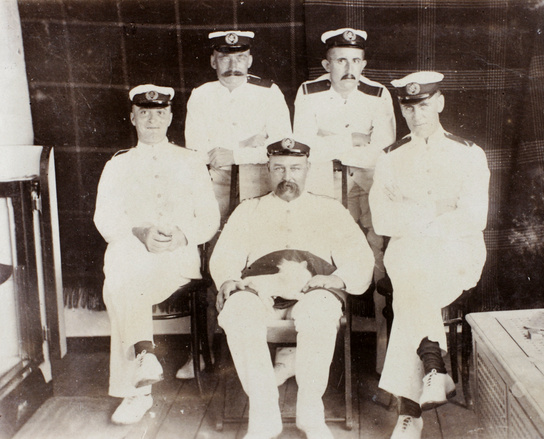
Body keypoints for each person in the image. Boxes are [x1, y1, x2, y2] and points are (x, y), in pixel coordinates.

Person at [211, 138, 374, 439]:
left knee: (321, 311)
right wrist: (227, 279)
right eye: (279, 168)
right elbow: (224, 256)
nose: (287, 176)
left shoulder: (330, 209)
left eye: (295, 168)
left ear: (308, 169)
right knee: (237, 311)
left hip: (312, 291)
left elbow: (359, 257)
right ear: (268, 170)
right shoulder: (249, 210)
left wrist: (337, 279)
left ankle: (311, 414)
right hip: (259, 292)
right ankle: (263, 415)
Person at [369, 71, 490, 438]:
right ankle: (432, 372)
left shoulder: (468, 153)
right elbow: (382, 219)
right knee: (414, 279)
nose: (416, 114)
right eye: (408, 107)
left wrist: (415, 214)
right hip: (408, 254)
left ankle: (410, 411)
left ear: (438, 103)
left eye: (423, 105)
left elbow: (473, 217)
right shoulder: (390, 157)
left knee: (410, 286)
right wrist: (437, 208)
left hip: (457, 253)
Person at [94, 84, 220, 425]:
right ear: (132, 117)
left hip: (175, 257)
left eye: (160, 113)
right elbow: (104, 218)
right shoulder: (117, 165)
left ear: (170, 117)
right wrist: (139, 232)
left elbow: (209, 219)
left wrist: (181, 235)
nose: (152, 119)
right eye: (145, 113)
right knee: (124, 277)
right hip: (131, 253)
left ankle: (139, 375)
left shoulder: (191, 161)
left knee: (118, 286)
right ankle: (143, 365)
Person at [292, 26, 396, 374]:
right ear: (327, 64)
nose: (348, 68)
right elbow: (304, 148)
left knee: (379, 259)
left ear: (364, 63)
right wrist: (353, 139)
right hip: (324, 189)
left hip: (368, 187)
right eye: (340, 61)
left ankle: (386, 356)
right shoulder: (308, 93)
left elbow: (382, 152)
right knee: (319, 258)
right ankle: (313, 351)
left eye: (355, 60)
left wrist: (331, 139)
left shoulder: (378, 94)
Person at [185, 30, 292, 218]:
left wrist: (234, 154)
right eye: (225, 58)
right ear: (213, 62)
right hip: (216, 182)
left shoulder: (269, 93)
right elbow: (195, 152)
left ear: (249, 61)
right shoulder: (201, 95)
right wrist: (246, 143)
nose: (233, 65)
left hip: (260, 180)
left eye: (240, 58)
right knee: (214, 235)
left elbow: (282, 148)